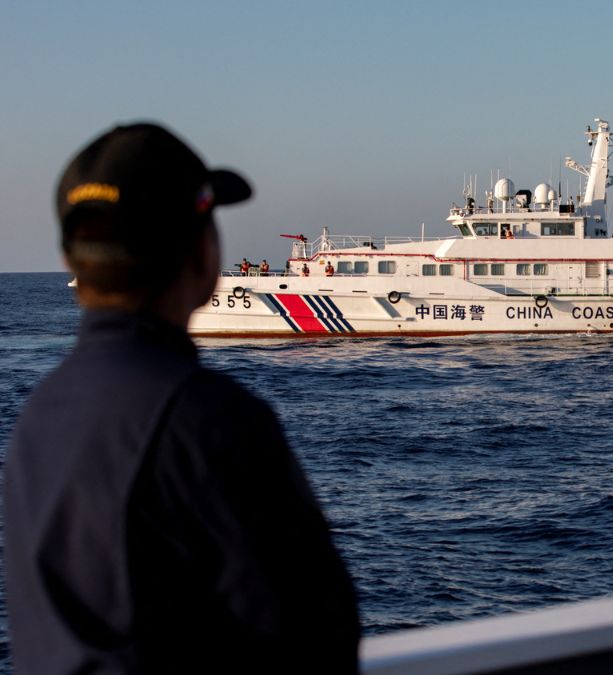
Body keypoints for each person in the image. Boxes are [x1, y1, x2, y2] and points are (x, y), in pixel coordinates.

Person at [4, 122, 360, 673]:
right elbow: (315, 635)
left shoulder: (38, 415)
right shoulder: (210, 421)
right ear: (202, 254)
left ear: (74, 261)